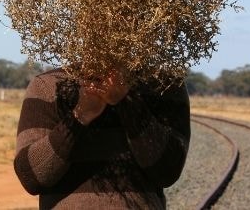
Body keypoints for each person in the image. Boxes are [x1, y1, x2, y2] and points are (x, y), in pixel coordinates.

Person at [14, 68, 190, 209]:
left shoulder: (164, 86)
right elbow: (32, 178)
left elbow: (168, 172)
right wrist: (80, 115)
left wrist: (127, 102)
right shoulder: (49, 85)